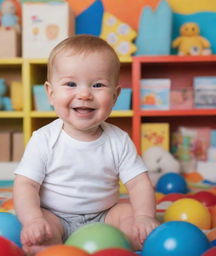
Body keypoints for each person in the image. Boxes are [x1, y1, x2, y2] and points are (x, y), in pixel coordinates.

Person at [13, 34, 159, 255]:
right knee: (41, 229)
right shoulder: (43, 139)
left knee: (131, 216)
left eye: (98, 85)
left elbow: (139, 184)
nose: (84, 94)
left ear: (115, 95)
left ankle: (131, 234)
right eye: (71, 84)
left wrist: (144, 217)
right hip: (55, 215)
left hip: (106, 215)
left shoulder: (118, 140)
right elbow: (26, 185)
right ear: (51, 93)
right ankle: (47, 241)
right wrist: (33, 220)